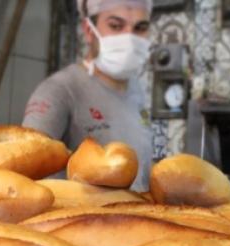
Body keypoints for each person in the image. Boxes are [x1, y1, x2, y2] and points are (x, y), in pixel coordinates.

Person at [22, 0, 153, 191]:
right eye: (115, 26)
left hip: (138, 217)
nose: (129, 37)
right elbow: (27, 167)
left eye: (140, 27)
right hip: (76, 218)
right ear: (89, 30)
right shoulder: (59, 90)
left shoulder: (138, 92)